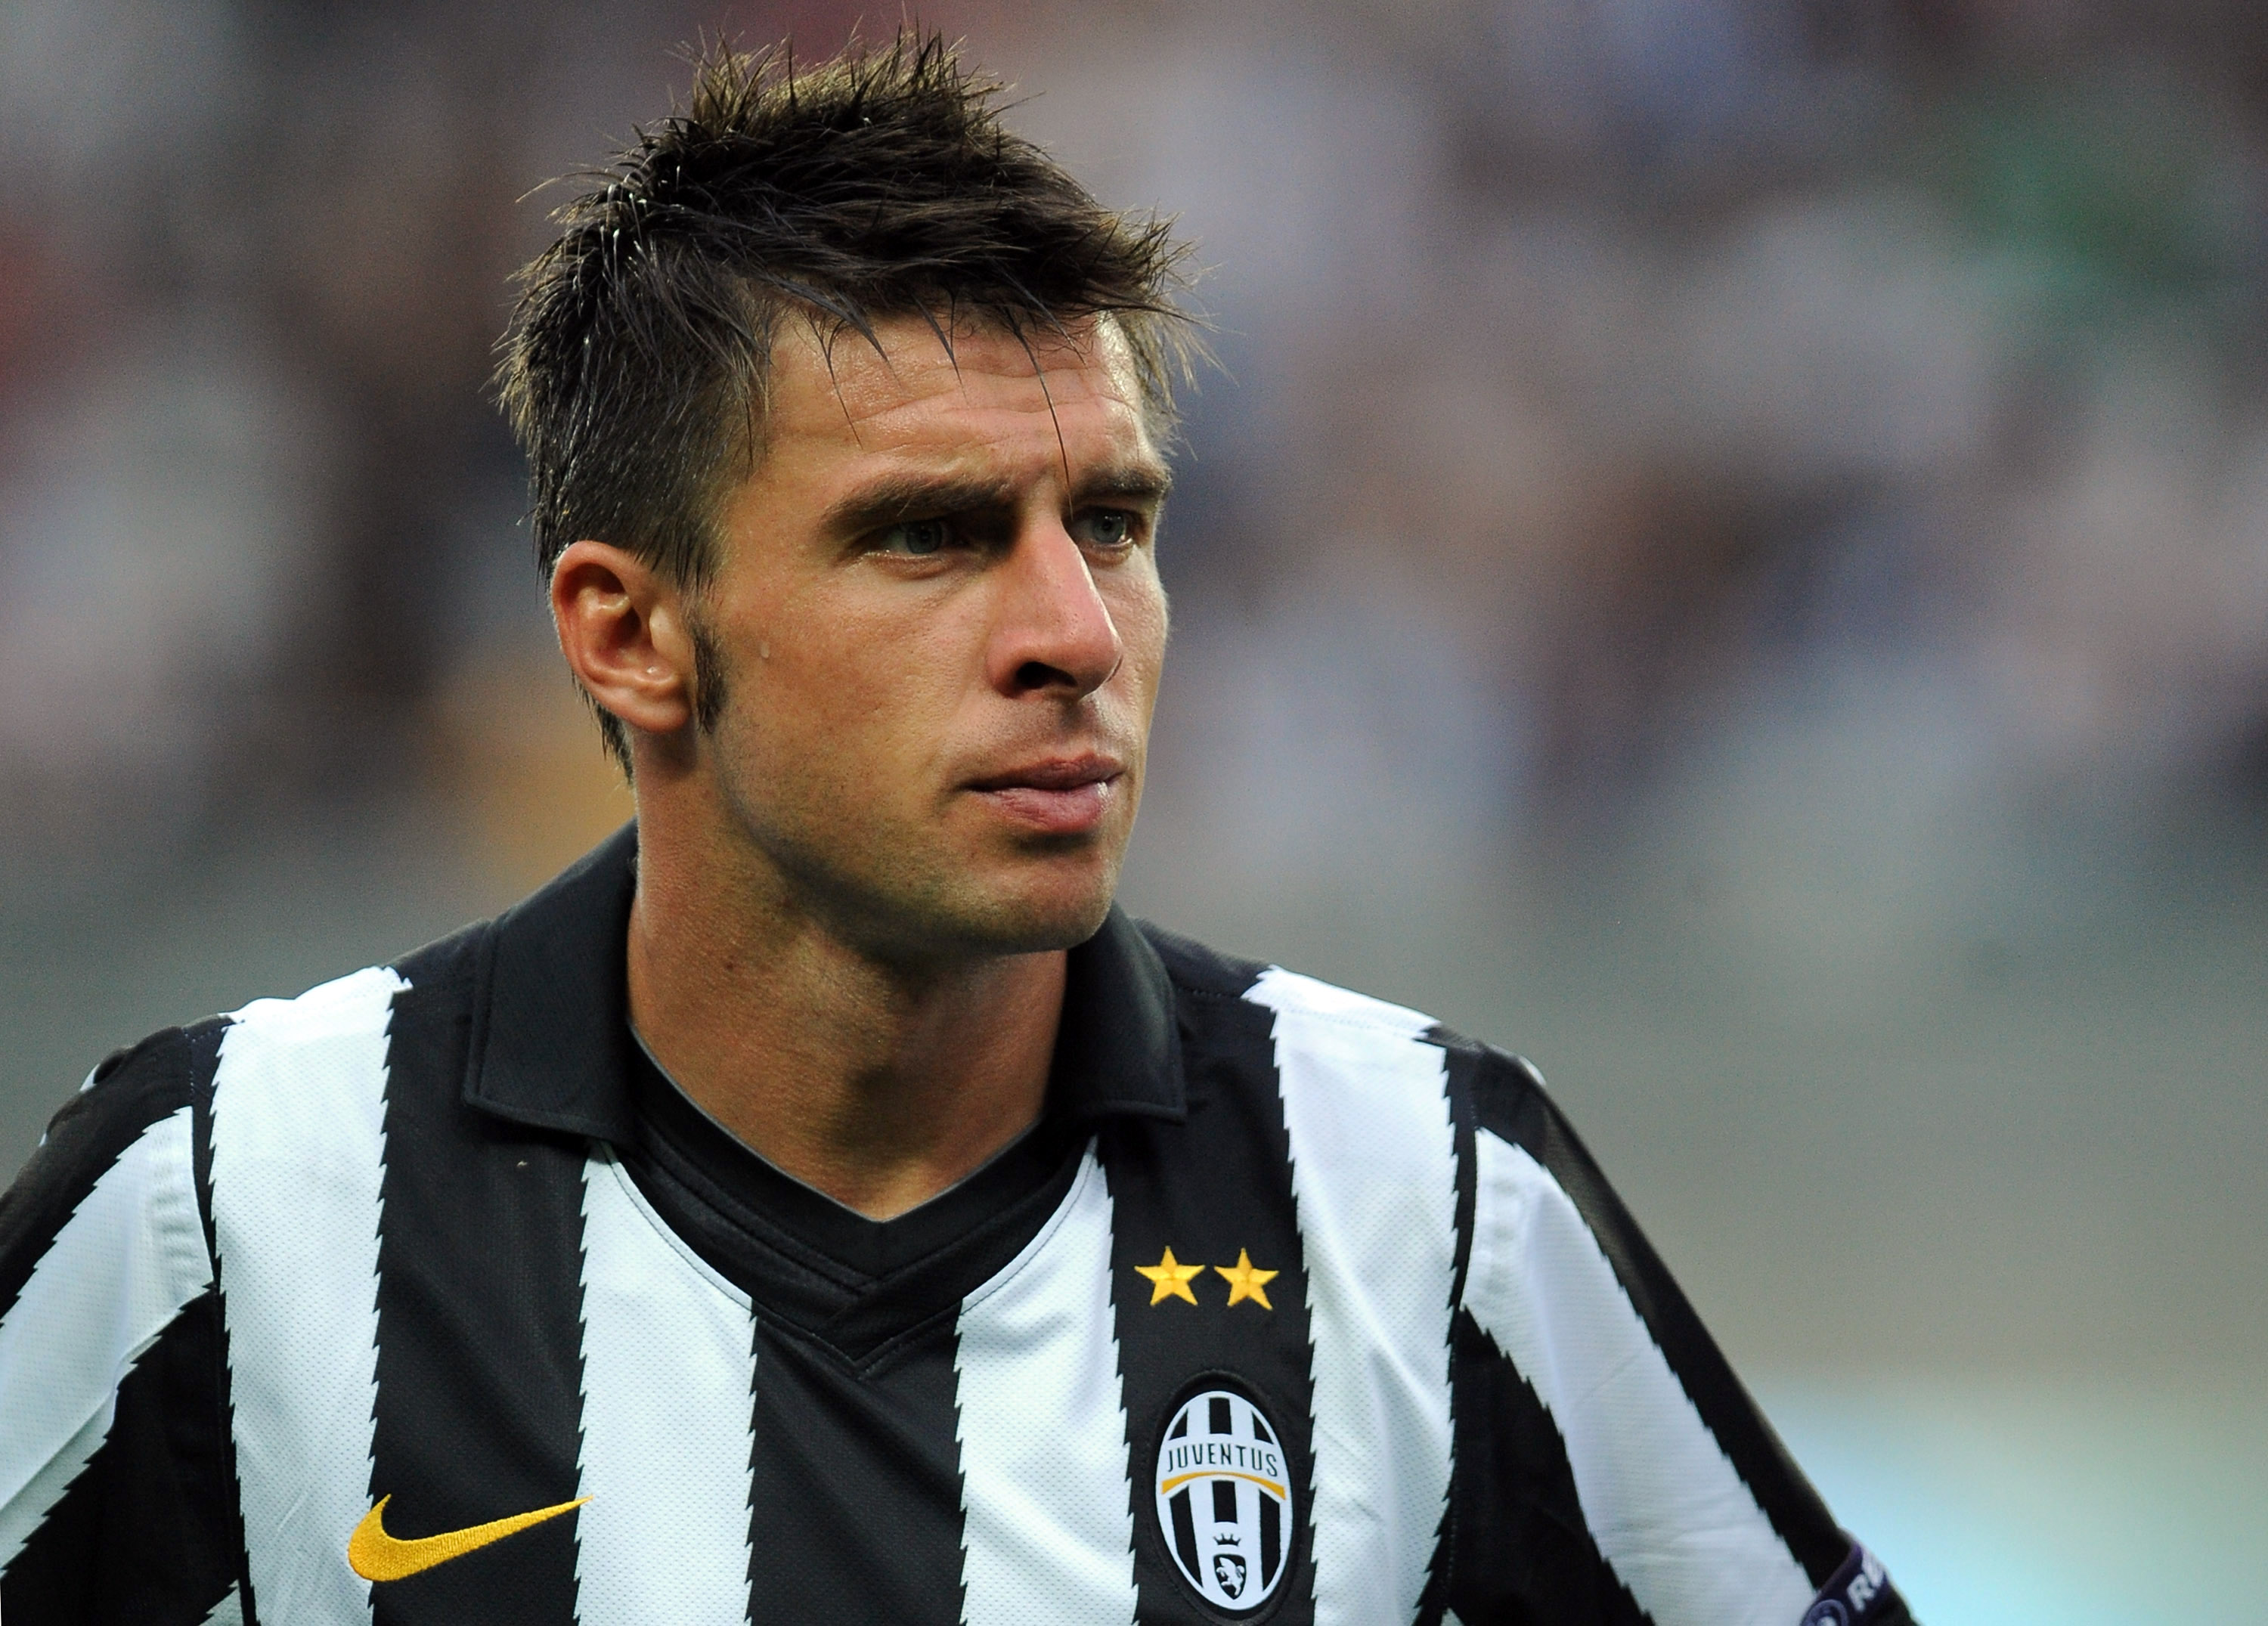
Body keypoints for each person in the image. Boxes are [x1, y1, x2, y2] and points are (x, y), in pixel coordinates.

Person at [0, 34, 1913, 1626]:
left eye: (1114, 523)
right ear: (631, 631)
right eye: (928, 534)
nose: (1074, 637)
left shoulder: (1428, 1190)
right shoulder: (228, 1193)